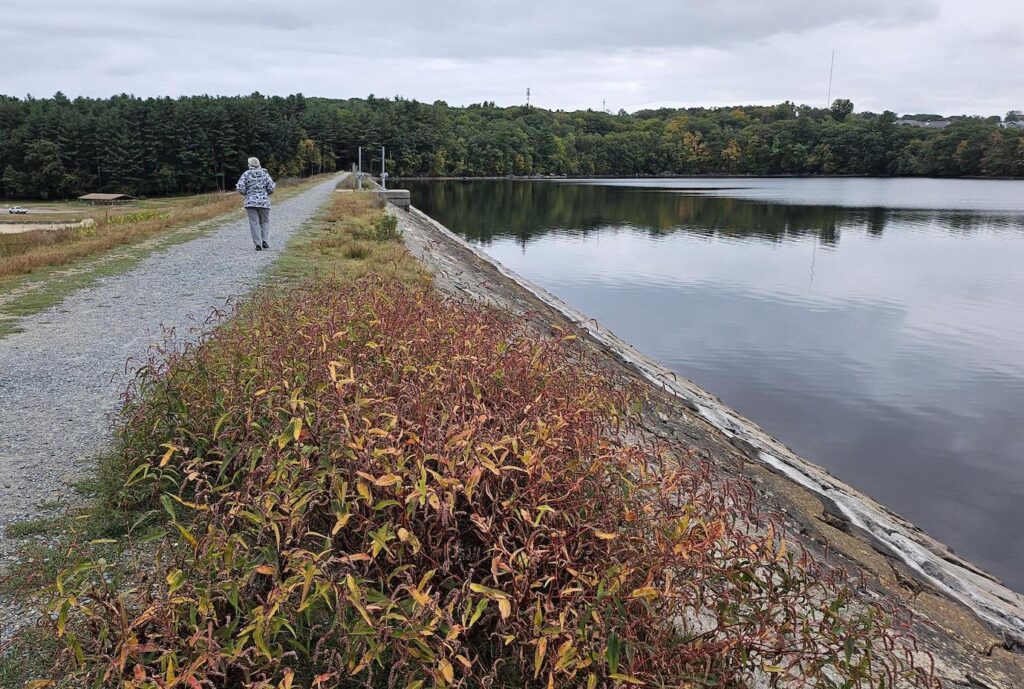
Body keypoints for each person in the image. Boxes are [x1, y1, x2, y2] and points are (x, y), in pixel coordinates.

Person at [236, 157, 276, 251]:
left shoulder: (246, 174)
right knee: (265, 221)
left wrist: (246, 193)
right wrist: (266, 194)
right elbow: (272, 187)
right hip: (264, 202)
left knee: (254, 223)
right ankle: (265, 241)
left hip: (251, 202)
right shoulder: (264, 174)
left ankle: (258, 244)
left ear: (249, 164)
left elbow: (240, 187)